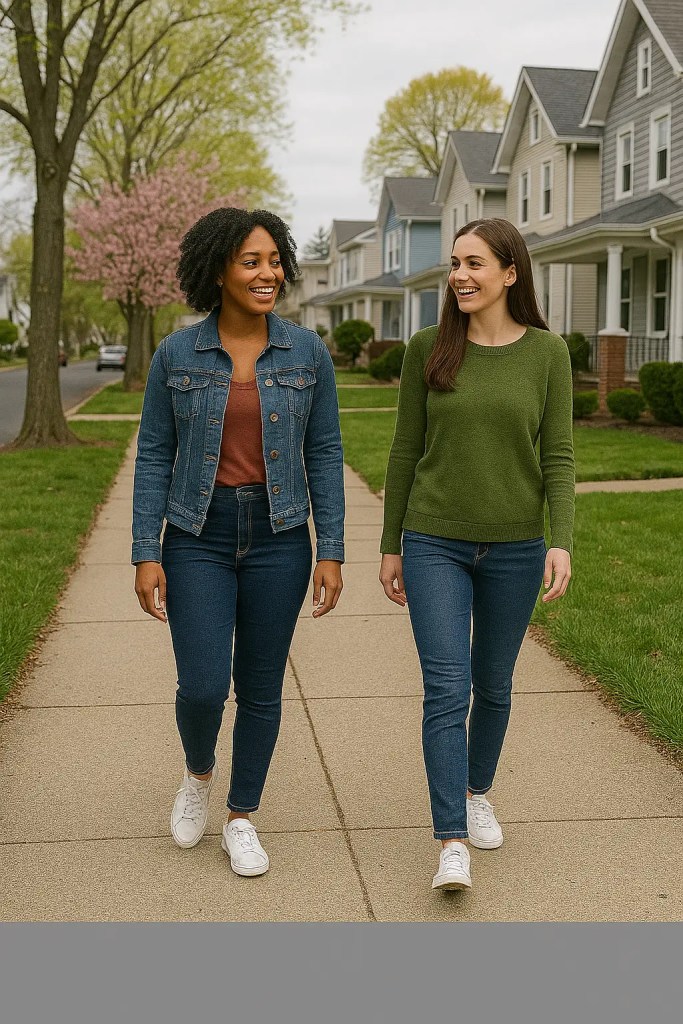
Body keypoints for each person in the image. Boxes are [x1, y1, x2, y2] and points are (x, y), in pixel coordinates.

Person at [132, 208, 345, 877]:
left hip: (280, 537)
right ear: (218, 270)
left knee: (259, 686)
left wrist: (331, 549)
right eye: (251, 261)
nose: (267, 273)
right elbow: (154, 455)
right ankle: (198, 773)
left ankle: (241, 816)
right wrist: (146, 551)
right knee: (201, 685)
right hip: (197, 534)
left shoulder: (307, 352)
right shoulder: (177, 354)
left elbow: (324, 451)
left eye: (274, 261)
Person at [379, 218, 574, 892]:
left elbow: (558, 454)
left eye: (474, 263)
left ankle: (476, 791)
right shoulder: (428, 348)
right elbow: (405, 449)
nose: (460, 275)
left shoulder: (547, 353)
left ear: (509, 273)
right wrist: (391, 544)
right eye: (455, 264)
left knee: (493, 685)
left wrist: (560, 539)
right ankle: (450, 840)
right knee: (446, 688)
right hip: (434, 540)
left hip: (516, 547)